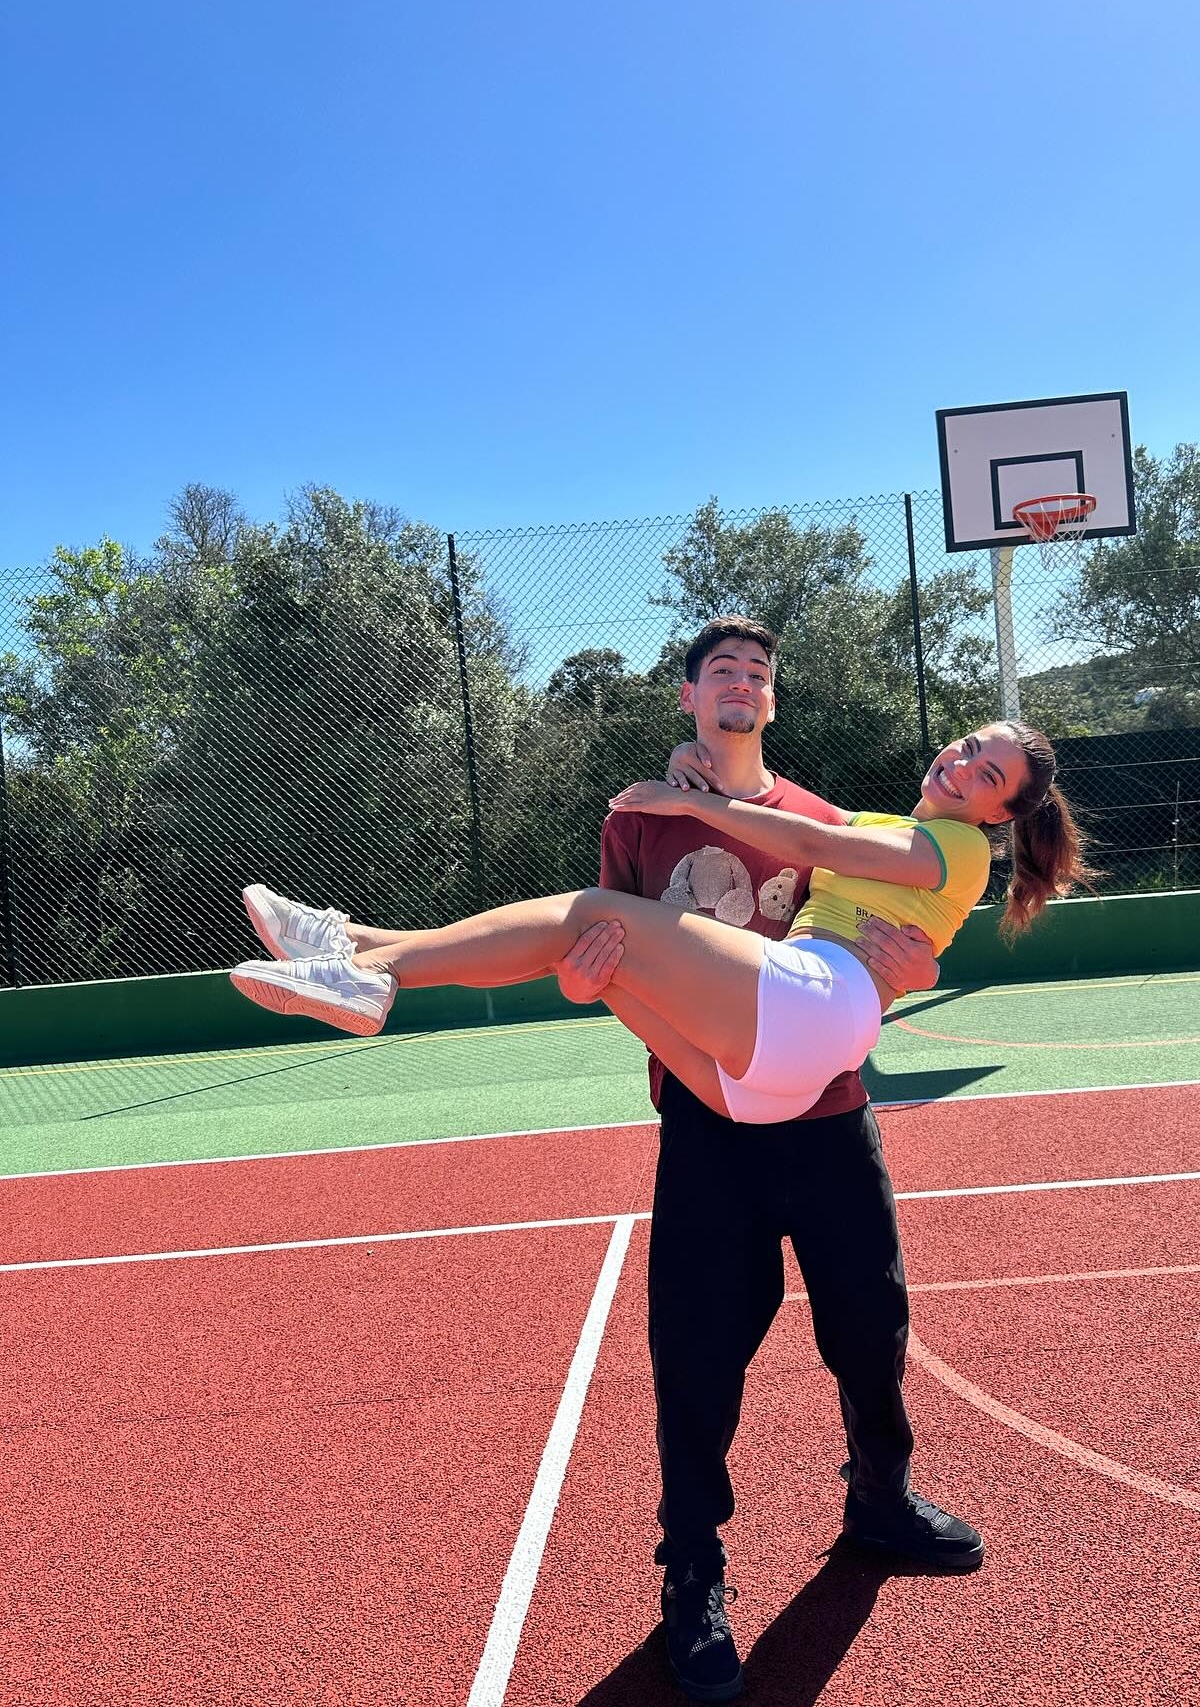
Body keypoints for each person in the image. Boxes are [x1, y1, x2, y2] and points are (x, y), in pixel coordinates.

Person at [230, 618, 1090, 1700]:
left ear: (774, 700)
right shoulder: (647, 818)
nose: (742, 682)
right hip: (720, 1107)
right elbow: (597, 959)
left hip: (826, 1103)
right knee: (695, 1360)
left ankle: (363, 955)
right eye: (722, 669)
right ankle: (691, 1575)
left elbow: (867, 882)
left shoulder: (831, 821)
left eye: (759, 672)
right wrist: (595, 978)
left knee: (871, 1328)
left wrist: (879, 946)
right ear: (688, 695)